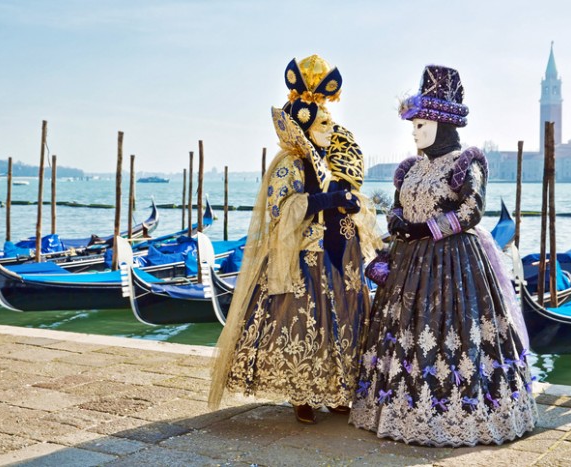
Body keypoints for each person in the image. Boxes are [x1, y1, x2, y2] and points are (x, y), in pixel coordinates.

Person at [350, 65, 537, 446]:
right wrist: (399, 220)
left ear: (442, 123)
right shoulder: (411, 169)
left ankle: (463, 414)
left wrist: (426, 229)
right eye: (413, 126)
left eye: (421, 125)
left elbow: (473, 211)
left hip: (455, 263)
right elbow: (400, 204)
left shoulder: (466, 163)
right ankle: (401, 409)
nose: (415, 132)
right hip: (409, 264)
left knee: (455, 334)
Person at [208, 55, 380, 424]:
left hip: (342, 254)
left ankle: (339, 391)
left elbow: (352, 195)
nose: (330, 128)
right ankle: (302, 394)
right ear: (305, 126)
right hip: (306, 256)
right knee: (306, 324)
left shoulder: (337, 158)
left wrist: (349, 203)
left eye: (330, 121)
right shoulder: (289, 163)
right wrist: (328, 199)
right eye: (323, 123)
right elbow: (281, 210)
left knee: (346, 322)